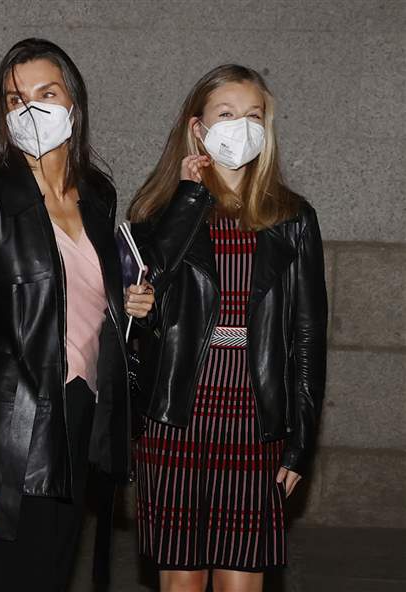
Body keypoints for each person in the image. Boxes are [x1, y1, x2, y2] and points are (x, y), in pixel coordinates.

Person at [0, 38, 155, 592]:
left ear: (73, 105)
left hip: (83, 417)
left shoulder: (98, 197)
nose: (31, 108)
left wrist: (132, 304)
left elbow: (96, 297)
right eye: (16, 99)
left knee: (57, 573)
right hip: (17, 431)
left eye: (46, 92)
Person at [128, 64, 327, 592]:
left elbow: (307, 336)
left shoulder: (293, 219)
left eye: (253, 115)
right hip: (177, 416)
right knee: (182, 583)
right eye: (226, 113)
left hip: (254, 416)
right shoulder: (157, 213)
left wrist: (301, 440)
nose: (241, 126)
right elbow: (147, 297)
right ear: (198, 128)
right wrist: (191, 198)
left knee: (242, 582)